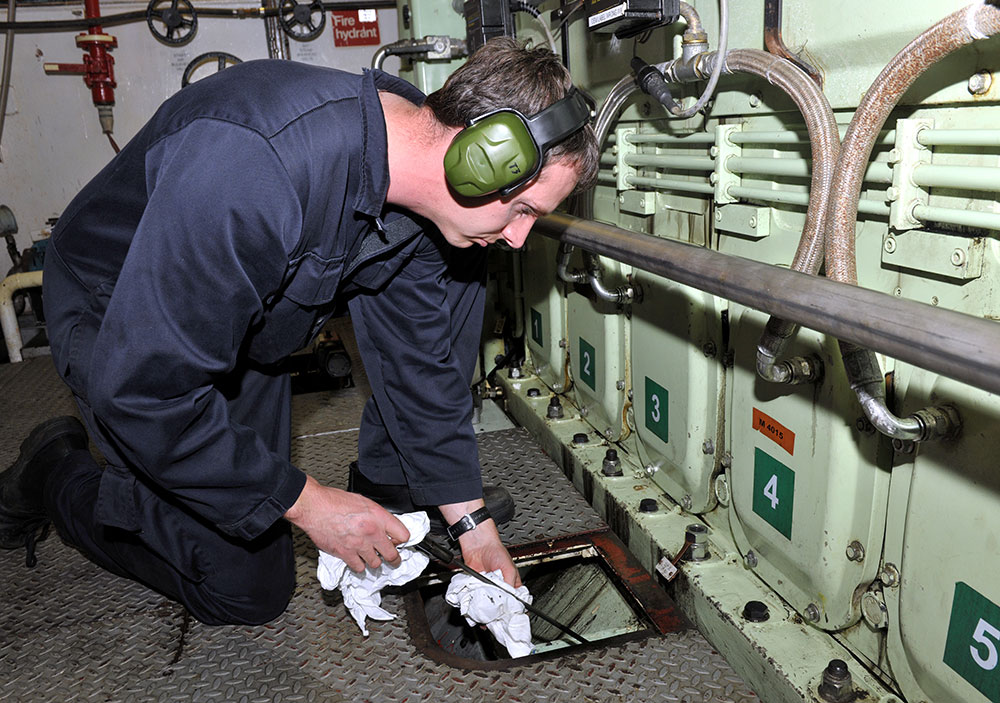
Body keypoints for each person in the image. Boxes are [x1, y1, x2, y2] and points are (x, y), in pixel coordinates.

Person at [0, 38, 598, 626]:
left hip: (245, 330)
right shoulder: (253, 168)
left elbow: (418, 364)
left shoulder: (421, 204)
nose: (519, 239)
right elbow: (144, 389)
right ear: (483, 158)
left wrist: (475, 530)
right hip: (124, 315)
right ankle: (54, 474)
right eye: (522, 211)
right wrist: (310, 504)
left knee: (252, 571)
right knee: (241, 591)